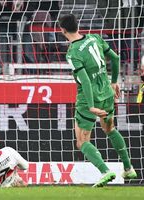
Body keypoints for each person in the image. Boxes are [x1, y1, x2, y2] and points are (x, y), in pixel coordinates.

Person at [58, 14, 137, 187]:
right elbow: (115, 58)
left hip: (88, 100)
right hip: (107, 93)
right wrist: (115, 81)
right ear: (77, 26)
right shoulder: (95, 38)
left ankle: (105, 171)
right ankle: (128, 167)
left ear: (63, 30)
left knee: (82, 141)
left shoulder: (72, 53)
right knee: (110, 129)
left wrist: (91, 106)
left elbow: (85, 80)